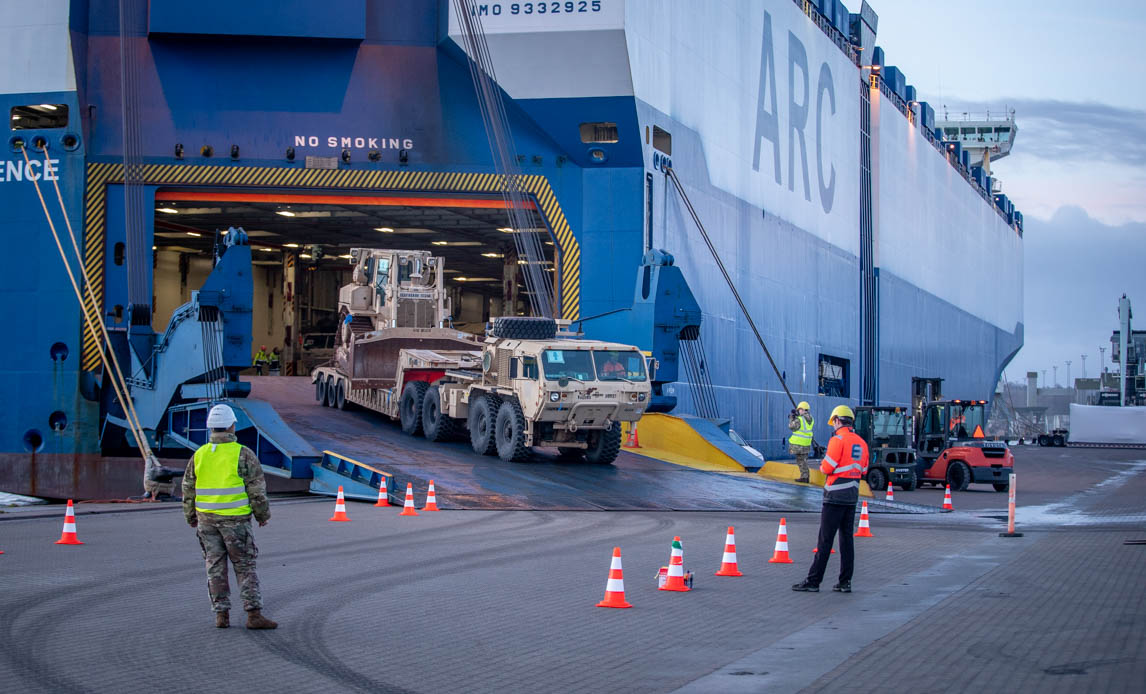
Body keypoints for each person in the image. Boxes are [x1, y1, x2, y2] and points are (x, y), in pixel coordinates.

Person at [182, 404, 277, 629]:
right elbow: (256, 490)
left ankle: (221, 615)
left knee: (214, 566)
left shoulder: (199, 455)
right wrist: (262, 515)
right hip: (235, 521)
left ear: (210, 428)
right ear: (232, 426)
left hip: (206, 521)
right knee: (244, 565)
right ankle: (253, 614)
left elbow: (188, 489)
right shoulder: (243, 454)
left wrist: (190, 516)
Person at [792, 405, 869, 594]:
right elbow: (864, 469)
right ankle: (845, 582)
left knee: (825, 541)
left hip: (834, 496)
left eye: (833, 422)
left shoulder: (837, 440)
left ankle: (813, 581)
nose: (833, 426)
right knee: (846, 540)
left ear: (837, 420)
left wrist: (823, 463)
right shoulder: (862, 443)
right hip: (851, 496)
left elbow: (827, 468)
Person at [788, 401, 815, 483]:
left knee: (800, 461)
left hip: (799, 444)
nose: (798, 411)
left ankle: (804, 477)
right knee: (804, 460)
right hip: (806, 443)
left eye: (799, 410)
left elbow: (792, 427)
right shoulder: (811, 419)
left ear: (802, 410)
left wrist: (792, 418)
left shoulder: (800, 419)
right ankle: (806, 476)